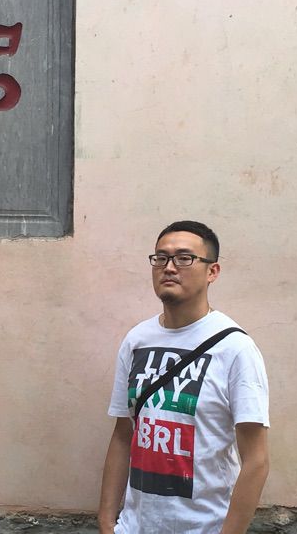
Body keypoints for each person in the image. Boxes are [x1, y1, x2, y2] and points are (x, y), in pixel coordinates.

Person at [98, 221, 269, 534]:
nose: (169, 267)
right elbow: (124, 434)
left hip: (204, 527)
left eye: (184, 258)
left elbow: (256, 460)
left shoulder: (236, 349)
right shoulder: (137, 340)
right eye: (161, 258)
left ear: (212, 271)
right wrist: (107, 522)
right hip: (134, 527)